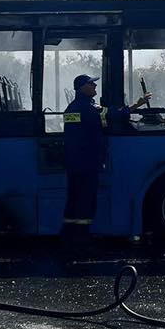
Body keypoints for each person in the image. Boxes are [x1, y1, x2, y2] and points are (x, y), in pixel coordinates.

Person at [61, 73, 149, 253]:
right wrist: (137, 104)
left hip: (73, 163)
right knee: (86, 200)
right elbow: (115, 115)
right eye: (91, 84)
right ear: (82, 88)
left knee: (73, 199)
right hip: (88, 163)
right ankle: (82, 241)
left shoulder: (71, 109)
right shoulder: (90, 108)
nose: (94, 86)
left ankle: (68, 236)